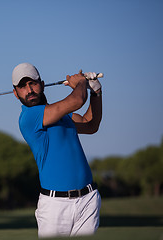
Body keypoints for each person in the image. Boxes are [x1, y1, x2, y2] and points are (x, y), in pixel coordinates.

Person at [12, 63, 102, 238]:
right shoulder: (29, 117)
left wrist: (96, 93)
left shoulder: (63, 116)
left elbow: (90, 124)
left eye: (33, 83)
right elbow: (76, 101)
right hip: (55, 206)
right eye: (22, 86)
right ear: (15, 93)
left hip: (88, 200)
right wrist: (81, 82)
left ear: (42, 84)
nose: (29, 90)